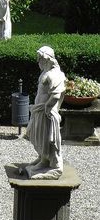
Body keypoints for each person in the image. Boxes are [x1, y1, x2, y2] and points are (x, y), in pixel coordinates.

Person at [23, 46, 66, 180]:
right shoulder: (45, 72)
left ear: (47, 59)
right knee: (38, 135)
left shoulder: (55, 74)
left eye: (40, 59)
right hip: (39, 110)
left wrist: (47, 109)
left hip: (45, 112)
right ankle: (42, 157)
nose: (38, 62)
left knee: (45, 137)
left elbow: (56, 95)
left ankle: (47, 162)